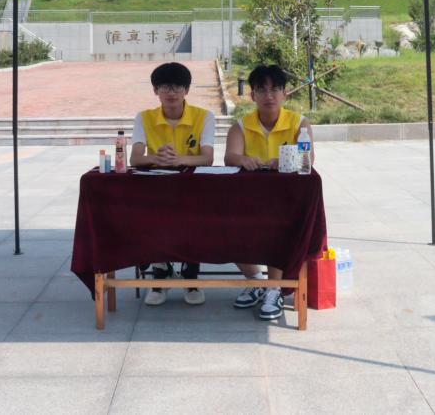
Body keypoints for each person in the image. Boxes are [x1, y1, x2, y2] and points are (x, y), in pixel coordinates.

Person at [224, 64, 314, 321]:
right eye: (261, 90)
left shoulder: (299, 124)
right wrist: (243, 159)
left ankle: (274, 289)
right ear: (252, 95)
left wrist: (285, 160)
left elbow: (308, 159)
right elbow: (230, 156)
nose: (269, 96)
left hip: (286, 202)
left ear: (285, 93)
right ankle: (256, 281)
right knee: (223, 227)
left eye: (275, 89)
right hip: (248, 200)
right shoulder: (241, 126)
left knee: (279, 228)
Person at [130, 62, 215, 306]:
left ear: (186, 90)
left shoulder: (204, 117)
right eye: (165, 86)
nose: (171, 92)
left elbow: (207, 158)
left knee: (195, 220)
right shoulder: (144, 117)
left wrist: (179, 160)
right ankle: (160, 273)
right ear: (155, 90)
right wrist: (156, 159)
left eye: (178, 86)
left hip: (193, 188)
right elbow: (135, 158)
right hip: (156, 189)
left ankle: (191, 276)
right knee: (146, 217)